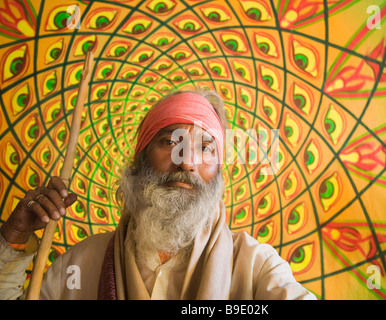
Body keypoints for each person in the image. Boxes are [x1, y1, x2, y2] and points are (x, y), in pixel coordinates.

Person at [0, 88, 316, 300]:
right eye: (169, 142)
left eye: (205, 148)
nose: (187, 161)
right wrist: (14, 237)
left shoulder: (254, 266)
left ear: (218, 172)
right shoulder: (80, 265)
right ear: (139, 160)